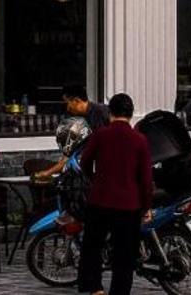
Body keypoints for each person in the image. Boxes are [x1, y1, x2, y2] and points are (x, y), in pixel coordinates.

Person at [74, 91, 151, 295]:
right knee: (124, 255)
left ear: (110, 113)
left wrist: (95, 179)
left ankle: (95, 288)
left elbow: (85, 163)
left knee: (92, 246)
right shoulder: (140, 140)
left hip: (100, 200)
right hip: (129, 205)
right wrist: (146, 207)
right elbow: (145, 178)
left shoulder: (100, 135)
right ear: (131, 114)